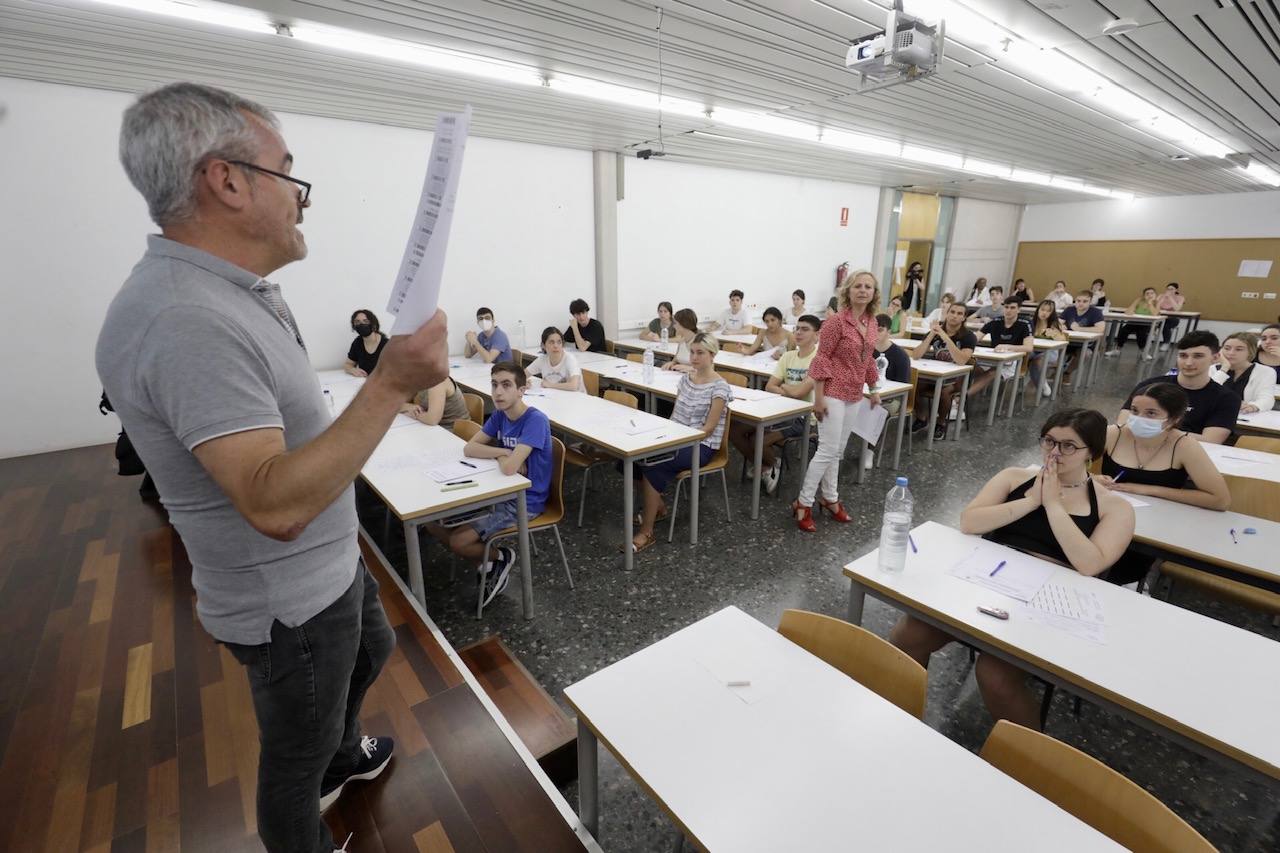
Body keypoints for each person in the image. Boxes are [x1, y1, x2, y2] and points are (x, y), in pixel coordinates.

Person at [97, 83, 452, 851]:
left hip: (330, 563)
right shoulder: (185, 318)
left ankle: (344, 751)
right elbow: (272, 504)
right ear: (227, 181)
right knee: (291, 762)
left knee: (375, 649)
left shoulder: (226, 292)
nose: (303, 198)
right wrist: (392, 382)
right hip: (287, 600)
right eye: (289, 174)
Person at [890, 409, 1134, 729]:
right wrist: (1030, 502)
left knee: (995, 674)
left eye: (1069, 446)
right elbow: (970, 522)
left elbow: (1089, 564)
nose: (1055, 452)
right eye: (1049, 441)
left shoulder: (1114, 507)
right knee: (909, 634)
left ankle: (1025, 761)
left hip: (1048, 603)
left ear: (1093, 453)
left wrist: (1053, 505)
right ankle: (898, 719)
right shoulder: (1014, 478)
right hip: (988, 580)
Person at [427, 361, 551, 609]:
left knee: (458, 542)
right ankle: (486, 563)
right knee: (431, 522)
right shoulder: (499, 416)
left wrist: (504, 458)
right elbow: (470, 447)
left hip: (525, 502)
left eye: (506, 385)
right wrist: (504, 451)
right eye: (494, 385)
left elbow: (509, 469)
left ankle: (501, 556)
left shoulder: (535, 420)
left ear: (521, 390)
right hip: (499, 493)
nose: (498, 392)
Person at [1097, 383, 1230, 586]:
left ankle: (1129, 584)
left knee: (1125, 566)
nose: (1139, 418)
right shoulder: (1113, 434)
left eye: (1151, 413)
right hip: (1106, 513)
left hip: (1153, 526)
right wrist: (1092, 478)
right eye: (1134, 411)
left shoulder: (1184, 446)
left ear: (1173, 419)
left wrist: (1149, 490)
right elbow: (1070, 467)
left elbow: (1220, 500)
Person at [792, 271, 881, 532]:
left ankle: (830, 498)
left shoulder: (872, 322)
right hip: (831, 393)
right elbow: (822, 359)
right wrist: (817, 398)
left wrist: (874, 387)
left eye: (868, 287)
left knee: (837, 452)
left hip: (854, 393)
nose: (863, 290)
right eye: (858, 286)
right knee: (827, 450)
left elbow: (868, 358)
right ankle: (803, 502)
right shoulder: (835, 323)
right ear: (848, 291)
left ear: (874, 293)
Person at [626, 333, 732, 553]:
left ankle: (647, 532)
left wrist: (677, 440)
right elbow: (676, 416)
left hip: (701, 446)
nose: (694, 357)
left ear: (712, 355)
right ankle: (658, 506)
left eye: (700, 353)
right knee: (632, 457)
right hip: (677, 438)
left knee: (653, 462)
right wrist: (663, 435)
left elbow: (708, 429)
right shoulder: (685, 379)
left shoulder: (720, 388)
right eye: (692, 352)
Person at [728, 314, 820, 494]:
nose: (799, 333)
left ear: (817, 335)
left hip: (805, 417)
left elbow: (800, 393)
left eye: (805, 329)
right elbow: (770, 386)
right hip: (779, 409)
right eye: (797, 329)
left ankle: (767, 465)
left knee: (758, 438)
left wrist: (785, 387)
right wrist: (789, 389)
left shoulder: (819, 360)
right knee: (734, 430)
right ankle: (769, 464)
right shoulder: (788, 356)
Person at [1119, 331, 1237, 444]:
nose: (1188, 363)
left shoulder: (1226, 398)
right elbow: (1122, 424)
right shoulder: (1149, 387)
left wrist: (1154, 430)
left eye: (1198, 356)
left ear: (1215, 358)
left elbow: (1211, 441)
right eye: (1183, 356)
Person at [910, 300, 976, 441]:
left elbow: (961, 360)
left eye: (959, 314)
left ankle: (941, 423)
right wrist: (931, 336)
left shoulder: (969, 336)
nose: (954, 316)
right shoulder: (935, 331)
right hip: (935, 375)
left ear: (964, 318)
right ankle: (921, 417)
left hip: (958, 378)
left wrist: (945, 337)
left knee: (945, 392)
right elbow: (916, 355)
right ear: (947, 313)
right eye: (952, 312)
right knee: (912, 384)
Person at [968, 299, 1033, 398]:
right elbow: (975, 338)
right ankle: (962, 395)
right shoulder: (996, 321)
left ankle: (959, 399)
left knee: (992, 373)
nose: (1008, 310)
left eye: (1012, 308)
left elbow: (1029, 348)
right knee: (969, 365)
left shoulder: (1025, 323)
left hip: (1014, 362)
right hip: (993, 359)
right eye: (1006, 307)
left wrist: (1007, 347)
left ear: (1019, 310)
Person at [1212, 332, 1276, 414]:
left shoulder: (1266, 371)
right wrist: (1224, 368)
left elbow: (1267, 398)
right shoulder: (1213, 369)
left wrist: (1253, 406)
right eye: (1227, 348)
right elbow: (1206, 394)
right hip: (1214, 415)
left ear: (1250, 352)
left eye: (1239, 349)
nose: (1231, 353)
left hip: (1245, 417)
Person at [1058, 291, 1106, 385]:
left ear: (1090, 302)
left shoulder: (1096, 312)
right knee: (1054, 349)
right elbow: (1057, 322)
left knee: (1086, 354)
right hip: (1067, 341)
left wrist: (1079, 329)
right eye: (1078, 301)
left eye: (1085, 301)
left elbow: (1100, 329)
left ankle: (1067, 372)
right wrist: (1060, 326)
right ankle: (1056, 371)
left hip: (1085, 344)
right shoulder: (1069, 310)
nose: (1080, 303)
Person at [527, 326, 586, 393]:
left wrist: (550, 385)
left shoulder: (570, 359)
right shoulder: (542, 359)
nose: (556, 346)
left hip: (576, 399)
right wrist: (523, 383)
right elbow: (521, 375)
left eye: (559, 342)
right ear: (543, 345)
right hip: (555, 396)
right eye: (551, 342)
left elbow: (574, 386)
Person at [1028, 299, 1066, 398]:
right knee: (1022, 356)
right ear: (1038, 310)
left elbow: (1063, 338)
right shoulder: (1031, 323)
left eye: (1048, 311)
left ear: (1052, 313)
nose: (1044, 313)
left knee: (1037, 361)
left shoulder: (1054, 324)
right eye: (1042, 309)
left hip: (1050, 353)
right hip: (1033, 350)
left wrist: (1054, 334)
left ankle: (1042, 385)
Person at [1108, 287, 1159, 358]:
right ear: (1144, 295)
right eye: (1147, 293)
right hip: (1134, 321)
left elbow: (1155, 314)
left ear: (1155, 295)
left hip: (1148, 323)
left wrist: (1150, 303)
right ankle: (1117, 350)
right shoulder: (1139, 300)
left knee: (1141, 333)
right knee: (1123, 330)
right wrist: (1132, 310)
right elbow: (1128, 311)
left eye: (1152, 293)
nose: (1150, 295)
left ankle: (1143, 352)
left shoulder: (1156, 302)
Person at [401, 377, 470, 429]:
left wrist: (414, 413)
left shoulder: (438, 382)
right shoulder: (417, 378)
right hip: (431, 428)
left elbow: (432, 420)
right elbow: (397, 403)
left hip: (453, 432)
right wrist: (408, 407)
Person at [345, 309, 389, 377]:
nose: (361, 324)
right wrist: (353, 370)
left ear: (373, 324)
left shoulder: (387, 344)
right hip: (363, 382)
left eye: (365, 321)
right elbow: (348, 364)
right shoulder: (357, 342)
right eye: (357, 322)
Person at [661, 308, 701, 374]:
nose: (674, 326)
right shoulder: (682, 341)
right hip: (680, 376)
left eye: (675, 323)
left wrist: (689, 368)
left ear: (683, 324)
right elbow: (676, 360)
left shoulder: (700, 342)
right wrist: (672, 363)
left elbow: (707, 369)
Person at [1157, 282, 1186, 349]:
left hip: (1172, 318)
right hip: (1160, 317)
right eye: (1168, 289)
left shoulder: (1180, 298)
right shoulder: (1161, 296)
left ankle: (1166, 343)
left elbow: (1177, 309)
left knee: (1165, 325)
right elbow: (1156, 306)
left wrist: (1170, 297)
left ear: (1176, 290)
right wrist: (1163, 298)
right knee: (1155, 322)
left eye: (1172, 289)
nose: (1169, 291)